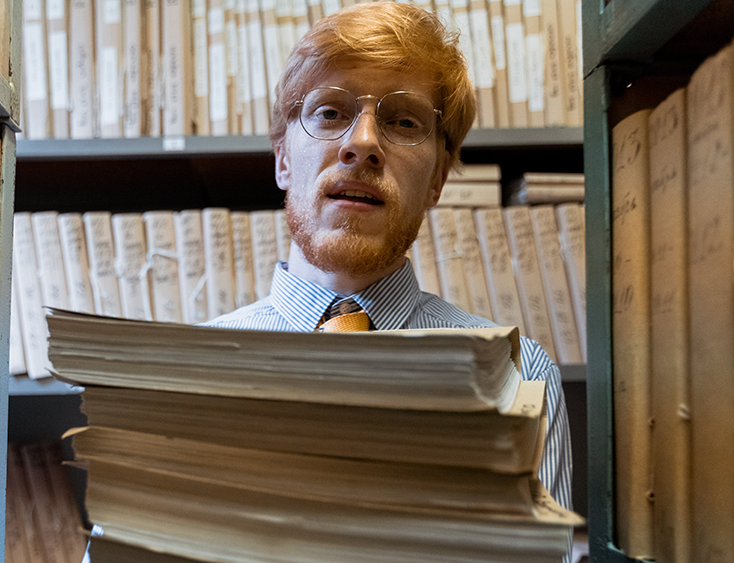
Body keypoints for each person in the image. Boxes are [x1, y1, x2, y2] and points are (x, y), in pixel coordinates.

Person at [202, 1, 573, 516]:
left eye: (402, 121)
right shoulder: (186, 376)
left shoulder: (517, 378)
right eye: (330, 112)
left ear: (438, 180)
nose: (363, 143)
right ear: (284, 158)